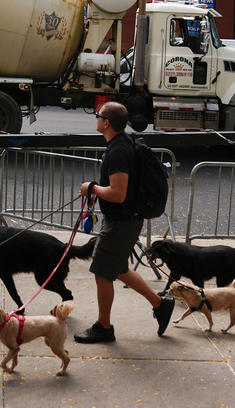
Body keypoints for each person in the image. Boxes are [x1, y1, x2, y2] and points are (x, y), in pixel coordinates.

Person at [73, 101, 175, 343]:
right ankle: (161, 304)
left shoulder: (118, 151)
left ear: (106, 123)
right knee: (118, 269)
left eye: (98, 115)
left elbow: (118, 194)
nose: (96, 118)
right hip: (125, 220)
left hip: (121, 222)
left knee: (102, 271)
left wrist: (93, 188)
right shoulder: (123, 143)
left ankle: (104, 328)